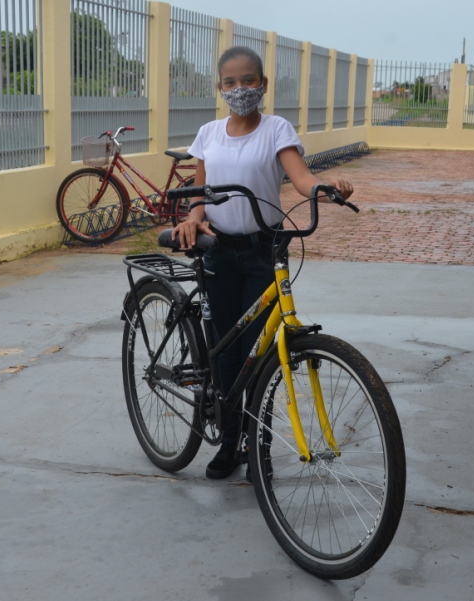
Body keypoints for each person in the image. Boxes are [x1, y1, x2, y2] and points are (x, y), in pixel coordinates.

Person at [171, 46, 354, 479]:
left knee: (261, 356)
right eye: (231, 83)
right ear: (220, 88)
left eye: (249, 81)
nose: (240, 90)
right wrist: (193, 219)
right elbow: (200, 193)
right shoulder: (209, 134)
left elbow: (302, 177)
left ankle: (259, 448)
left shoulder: (276, 129)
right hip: (218, 252)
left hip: (263, 252)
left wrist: (327, 189)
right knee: (228, 355)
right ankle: (229, 443)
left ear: (263, 85)